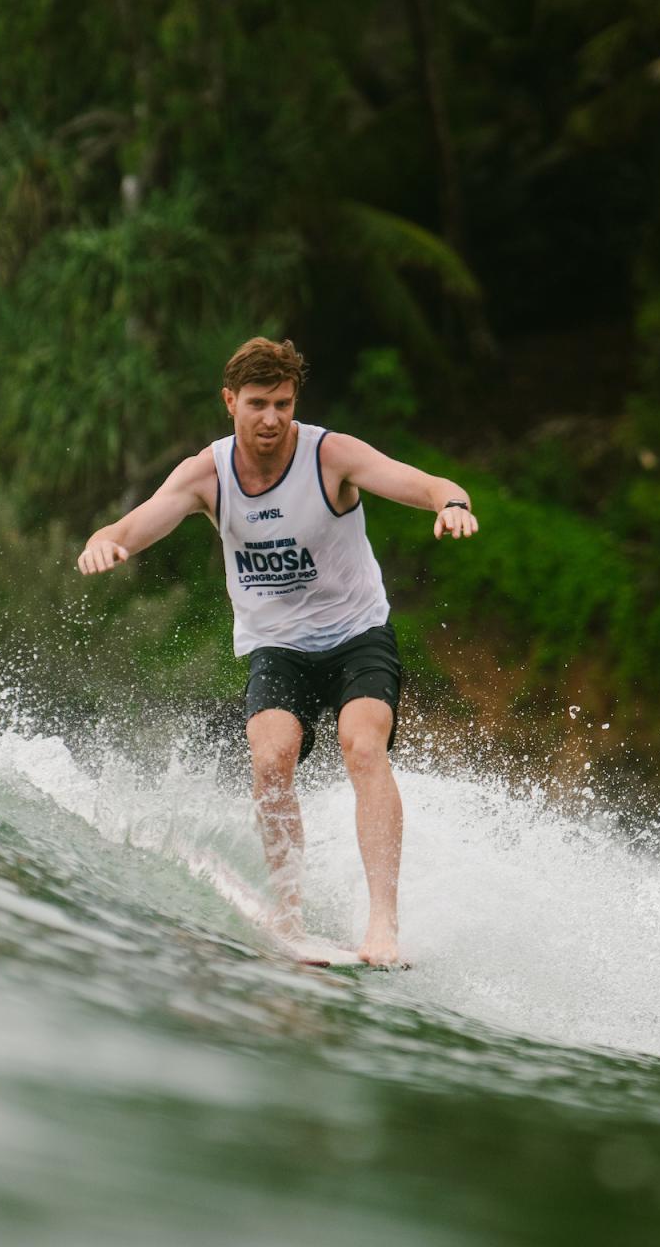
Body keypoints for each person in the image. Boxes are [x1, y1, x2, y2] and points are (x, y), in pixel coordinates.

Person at [75, 337, 479, 965]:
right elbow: (130, 525)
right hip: (277, 647)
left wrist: (451, 503)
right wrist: (104, 543)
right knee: (270, 759)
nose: (271, 419)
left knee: (363, 745)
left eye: (283, 404)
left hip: (356, 636)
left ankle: (383, 927)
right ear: (230, 401)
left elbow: (428, 483)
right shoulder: (206, 475)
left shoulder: (330, 456)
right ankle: (288, 919)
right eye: (257, 404)